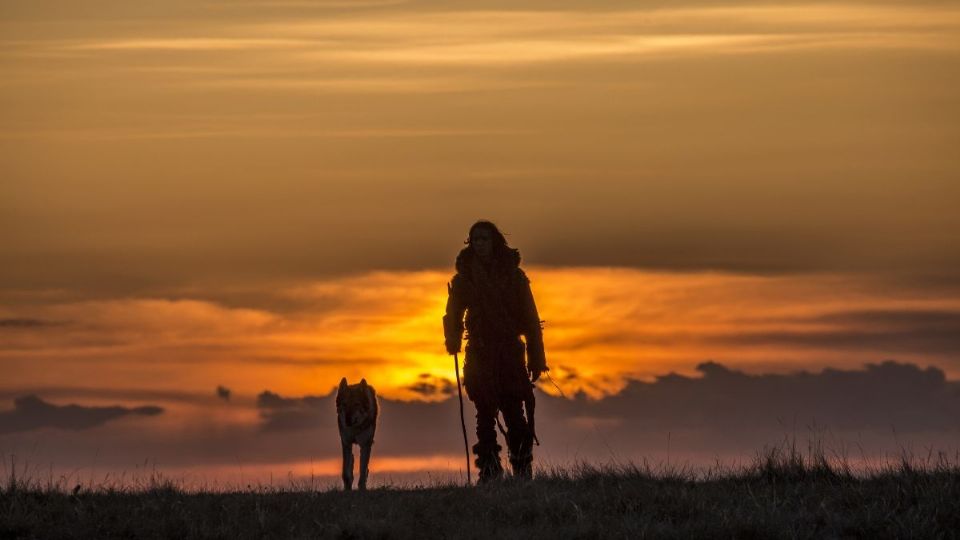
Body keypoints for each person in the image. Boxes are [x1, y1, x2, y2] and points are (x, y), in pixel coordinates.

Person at [443, 220, 548, 482]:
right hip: (479, 354)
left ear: (494, 242)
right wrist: (453, 339)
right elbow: (453, 312)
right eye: (475, 239)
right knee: (485, 415)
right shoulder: (464, 278)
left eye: (484, 239)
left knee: (514, 414)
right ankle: (489, 473)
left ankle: (523, 471)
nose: (479, 244)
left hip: (510, 353)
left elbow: (531, 319)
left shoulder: (515, 276)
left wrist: (537, 358)